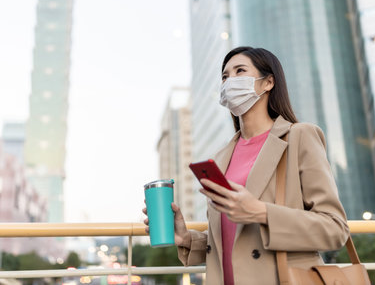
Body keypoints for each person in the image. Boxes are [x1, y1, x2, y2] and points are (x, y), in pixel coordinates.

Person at [143, 46, 350, 284]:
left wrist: (261, 212)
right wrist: (187, 238)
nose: (230, 81)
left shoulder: (299, 136)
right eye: (224, 76)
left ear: (268, 82)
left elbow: (335, 229)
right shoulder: (221, 157)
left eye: (240, 71)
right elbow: (235, 239)